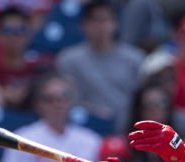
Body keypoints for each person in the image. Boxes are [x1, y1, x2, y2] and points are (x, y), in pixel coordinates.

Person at [55, 0, 144, 130]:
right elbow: (67, 100)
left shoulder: (135, 58)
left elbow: (142, 99)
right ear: (83, 25)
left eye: (105, 19)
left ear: (115, 23)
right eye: (94, 20)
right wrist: (93, 111)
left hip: (130, 127)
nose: (100, 26)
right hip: (85, 127)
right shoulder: (68, 59)